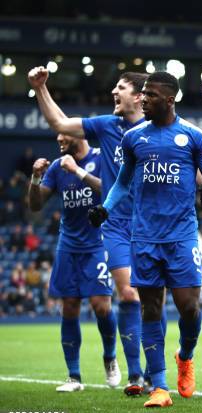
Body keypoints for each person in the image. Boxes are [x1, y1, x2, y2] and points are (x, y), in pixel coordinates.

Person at [89, 71, 202, 408]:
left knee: (189, 307)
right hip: (144, 237)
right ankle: (159, 386)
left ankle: (185, 355)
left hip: (181, 236)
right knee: (150, 308)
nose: (143, 99)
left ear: (170, 99)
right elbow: (122, 183)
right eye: (143, 94)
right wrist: (105, 209)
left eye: (150, 95)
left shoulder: (193, 136)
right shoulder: (133, 138)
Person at [27, 67, 148, 395]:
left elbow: (107, 185)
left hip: (137, 227)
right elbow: (58, 122)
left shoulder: (143, 136)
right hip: (90, 236)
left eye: (120, 87)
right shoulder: (106, 128)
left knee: (112, 303)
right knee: (82, 303)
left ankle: (130, 363)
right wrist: (40, 89)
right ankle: (79, 375)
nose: (60, 138)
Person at [28, 133, 120, 392]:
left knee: (101, 306)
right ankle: (74, 376)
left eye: (63, 136)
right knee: (69, 307)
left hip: (98, 242)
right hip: (68, 244)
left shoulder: (102, 157)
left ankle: (110, 357)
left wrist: (78, 171)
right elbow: (35, 205)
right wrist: (35, 177)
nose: (59, 140)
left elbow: (111, 190)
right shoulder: (58, 167)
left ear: (78, 135)